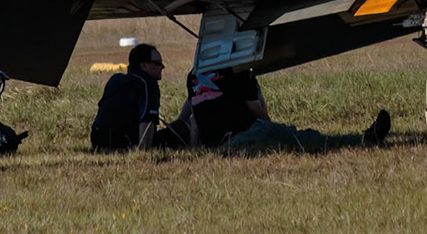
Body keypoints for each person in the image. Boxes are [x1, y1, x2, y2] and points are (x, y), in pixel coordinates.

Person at [185, 68, 390, 153]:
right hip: (242, 136)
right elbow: (260, 114)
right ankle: (365, 140)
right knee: (303, 139)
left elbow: (193, 115)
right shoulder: (237, 71)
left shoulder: (193, 75)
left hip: (216, 146)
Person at [90, 43, 172, 150]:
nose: (162, 67)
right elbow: (147, 120)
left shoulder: (115, 79)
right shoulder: (148, 83)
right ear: (144, 66)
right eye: (157, 63)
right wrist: (145, 151)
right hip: (125, 142)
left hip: (98, 139)